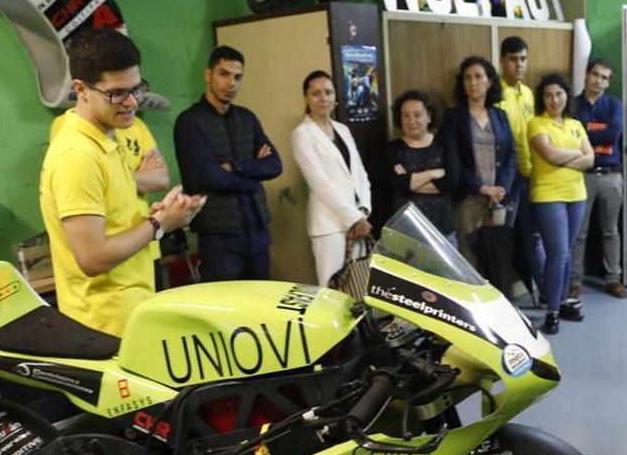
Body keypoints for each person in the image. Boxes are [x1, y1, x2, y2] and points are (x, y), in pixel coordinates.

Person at [38, 28, 204, 336]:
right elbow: (92, 258)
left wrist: (159, 214)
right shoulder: (78, 156)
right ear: (80, 89)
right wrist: (159, 223)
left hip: (131, 311)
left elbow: (115, 223)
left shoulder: (107, 142)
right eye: (116, 93)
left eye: (137, 88)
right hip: (105, 325)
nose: (131, 102)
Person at [173, 46, 282, 282]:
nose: (231, 83)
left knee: (260, 306)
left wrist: (237, 166)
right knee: (225, 311)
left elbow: (275, 165)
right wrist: (255, 174)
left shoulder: (247, 118)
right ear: (208, 75)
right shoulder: (189, 122)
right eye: (224, 74)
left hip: (257, 230)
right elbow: (211, 178)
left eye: (237, 76)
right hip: (219, 237)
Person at [290, 70, 373, 287]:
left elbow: (360, 174)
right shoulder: (302, 134)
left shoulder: (343, 129)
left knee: (358, 288)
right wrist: (354, 218)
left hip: (357, 222)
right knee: (333, 291)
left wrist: (363, 210)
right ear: (306, 98)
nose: (323, 98)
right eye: (316, 93)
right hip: (329, 226)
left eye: (328, 92)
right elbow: (319, 183)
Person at [527, 73, 591, 334]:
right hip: (548, 195)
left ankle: (562, 301)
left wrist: (569, 158)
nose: (554, 100)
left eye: (559, 94)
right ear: (542, 99)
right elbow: (550, 155)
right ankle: (552, 310)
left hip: (577, 194)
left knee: (567, 250)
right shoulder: (536, 124)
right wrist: (577, 154)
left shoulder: (575, 124)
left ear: (567, 96)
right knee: (558, 253)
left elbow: (591, 159)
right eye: (548, 95)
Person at [442, 56, 517, 263]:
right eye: (467, 78)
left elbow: (512, 154)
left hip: (497, 200)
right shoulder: (453, 116)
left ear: (490, 81)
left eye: (478, 76)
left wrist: (501, 187)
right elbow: (453, 160)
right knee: (468, 256)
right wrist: (481, 187)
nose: (472, 83)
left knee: (495, 256)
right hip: (468, 198)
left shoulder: (500, 115)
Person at [570, 58, 627, 299]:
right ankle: (574, 281)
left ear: (609, 81)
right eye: (595, 74)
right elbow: (572, 138)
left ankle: (613, 278)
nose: (598, 80)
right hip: (582, 176)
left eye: (604, 77)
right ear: (586, 74)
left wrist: (586, 133)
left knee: (611, 231)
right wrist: (591, 135)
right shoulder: (572, 105)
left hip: (611, 176)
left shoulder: (615, 105)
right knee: (579, 232)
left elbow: (612, 135)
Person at [498, 36, 547, 303]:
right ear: (503, 61)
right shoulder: (494, 93)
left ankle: (547, 295)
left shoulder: (528, 93)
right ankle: (504, 298)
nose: (519, 65)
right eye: (513, 59)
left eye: (523, 59)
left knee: (534, 236)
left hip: (532, 176)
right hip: (507, 179)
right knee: (503, 240)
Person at [388, 90, 460, 246]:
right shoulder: (393, 149)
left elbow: (451, 182)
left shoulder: (445, 144)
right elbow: (398, 184)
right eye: (405, 115)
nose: (411, 120)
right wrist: (433, 173)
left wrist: (410, 180)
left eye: (417, 114)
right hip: (406, 233)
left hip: (443, 230)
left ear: (429, 117)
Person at [49, 108, 169, 195]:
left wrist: (110, 179)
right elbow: (89, 184)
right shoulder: (67, 124)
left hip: (142, 223)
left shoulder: (136, 124)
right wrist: (141, 176)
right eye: (117, 92)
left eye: (134, 90)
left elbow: (162, 179)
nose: (130, 101)